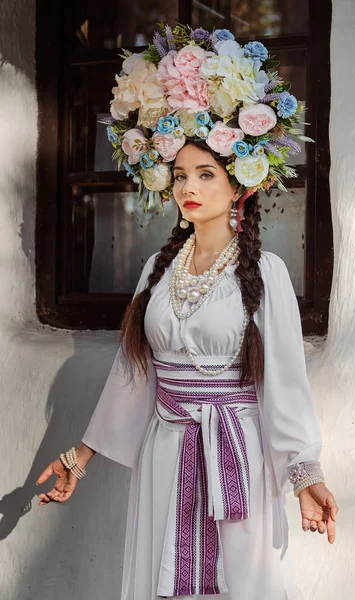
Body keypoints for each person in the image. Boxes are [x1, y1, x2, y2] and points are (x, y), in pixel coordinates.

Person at [37, 24, 338, 600]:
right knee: (161, 577)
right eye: (180, 175)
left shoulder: (265, 274)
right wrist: (78, 458)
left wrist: (306, 479)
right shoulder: (156, 269)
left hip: (236, 455)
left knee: (237, 582)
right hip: (166, 451)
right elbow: (135, 377)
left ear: (239, 186)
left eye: (206, 175)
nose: (188, 188)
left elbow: (286, 387)